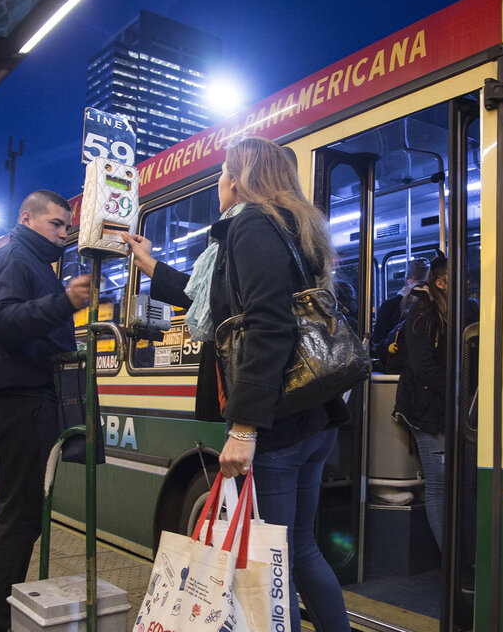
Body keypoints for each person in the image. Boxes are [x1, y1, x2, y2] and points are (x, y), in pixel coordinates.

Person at [123, 136, 350, 632]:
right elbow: (214, 297)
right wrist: (150, 265)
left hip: (277, 425)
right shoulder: (295, 225)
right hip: (312, 415)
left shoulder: (249, 225)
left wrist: (244, 428)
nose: (219, 183)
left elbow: (268, 324)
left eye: (224, 173)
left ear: (240, 178)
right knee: (299, 549)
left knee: (272, 564)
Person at [0, 190, 91, 632]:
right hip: (22, 402)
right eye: (56, 224)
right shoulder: (14, 260)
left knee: (8, 513)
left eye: (67, 228)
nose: (63, 235)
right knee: (20, 518)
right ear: (27, 218)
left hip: (20, 400)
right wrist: (64, 303)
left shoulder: (29, 262)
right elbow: (4, 323)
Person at [392, 252, 448, 550]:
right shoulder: (421, 315)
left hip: (449, 406)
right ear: (439, 283)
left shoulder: (465, 312)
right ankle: (448, 557)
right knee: (438, 484)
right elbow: (422, 366)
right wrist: (459, 390)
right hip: (425, 407)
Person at [371, 257, 429, 368]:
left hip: (396, 365)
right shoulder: (432, 303)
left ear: (407, 278)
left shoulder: (388, 306)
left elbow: (377, 342)